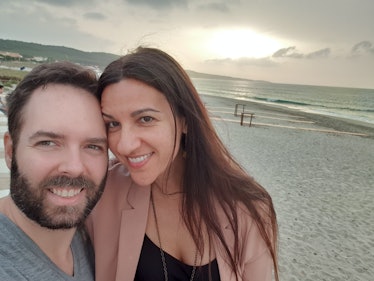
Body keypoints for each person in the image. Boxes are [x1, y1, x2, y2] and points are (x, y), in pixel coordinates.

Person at [87, 47, 279, 281]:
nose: (125, 145)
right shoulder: (100, 191)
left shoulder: (249, 209)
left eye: (145, 119)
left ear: (185, 120)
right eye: (113, 124)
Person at [0, 62, 109, 280]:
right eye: (48, 143)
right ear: (11, 151)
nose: (74, 168)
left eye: (93, 146)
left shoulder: (94, 238)